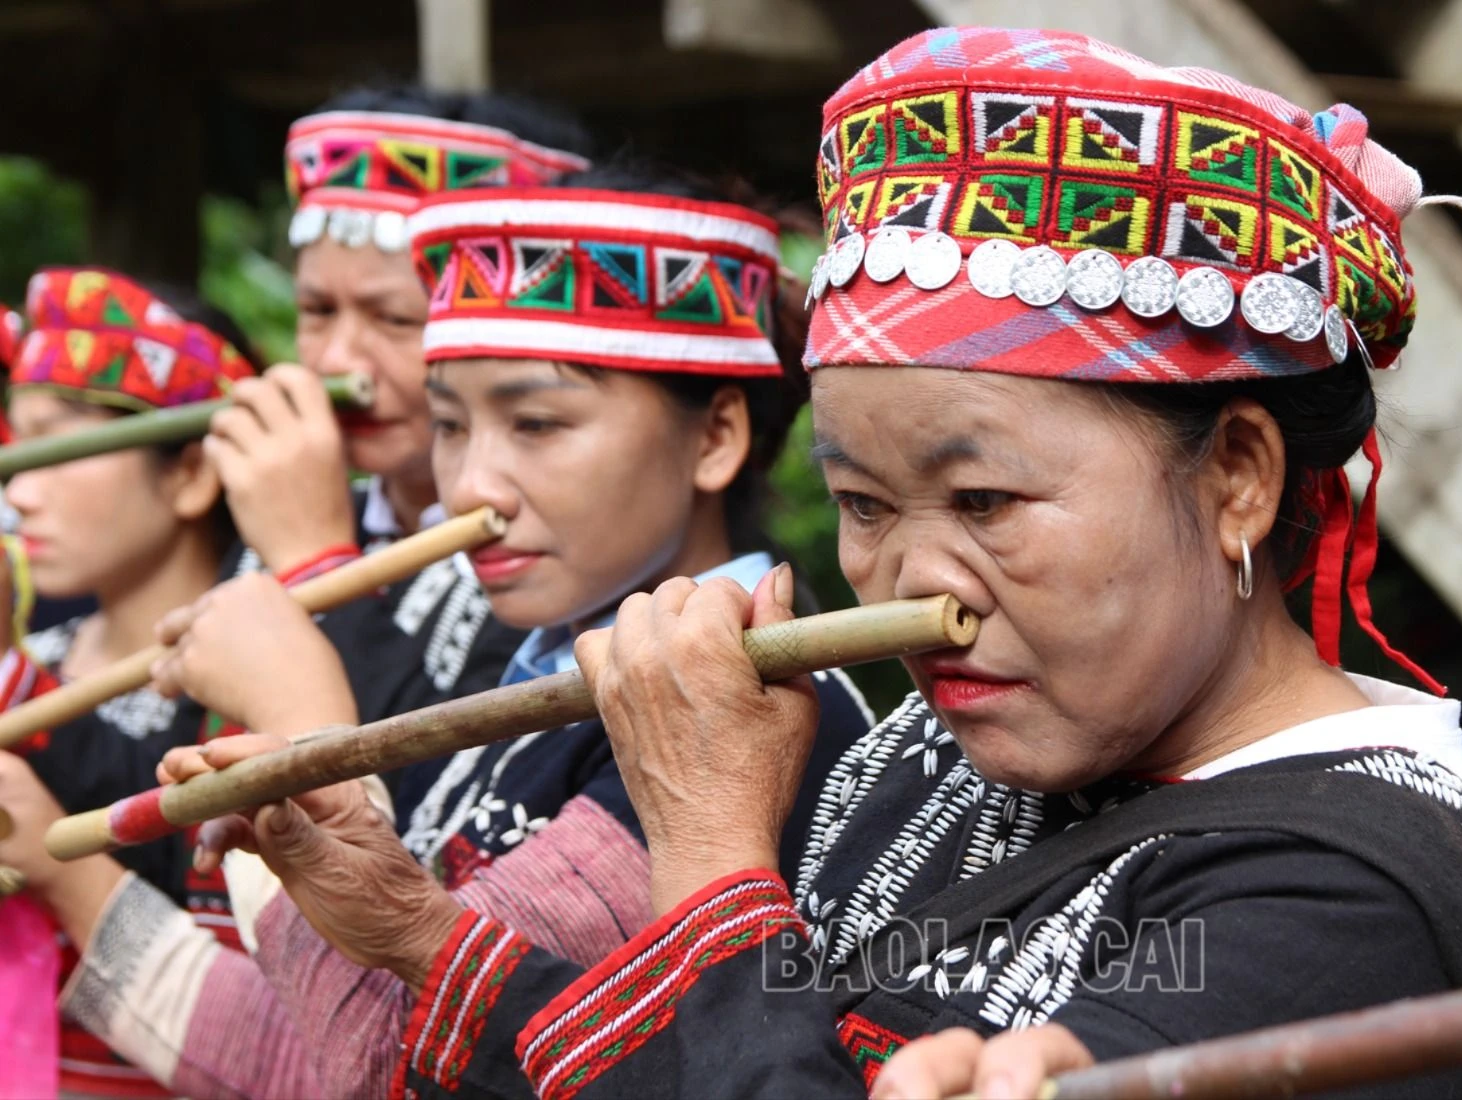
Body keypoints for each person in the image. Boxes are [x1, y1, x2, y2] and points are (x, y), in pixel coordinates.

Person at [139, 27, 1462, 1100]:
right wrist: (414, 931)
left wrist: (719, 863)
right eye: (860, 502)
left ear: (1240, 475)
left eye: (984, 496)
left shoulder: (1347, 898)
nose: (921, 583)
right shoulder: (932, 753)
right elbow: (694, 1067)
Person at [0, 168, 872, 1098]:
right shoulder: (553, 669)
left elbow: (370, 1066)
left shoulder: (745, 704)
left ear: (716, 437)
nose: (471, 489)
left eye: (536, 423)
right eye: (451, 425)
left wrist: (299, 724)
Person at [208, 87, 593, 738]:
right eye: (317, 311)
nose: (340, 363)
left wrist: (316, 568)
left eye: (393, 319)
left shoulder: (553, 564)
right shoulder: (295, 506)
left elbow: (411, 806)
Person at [0, 267, 261, 1096]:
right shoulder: (35, 647)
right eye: (15, 445)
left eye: (61, 444)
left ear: (189, 473)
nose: (20, 491)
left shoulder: (256, 688)